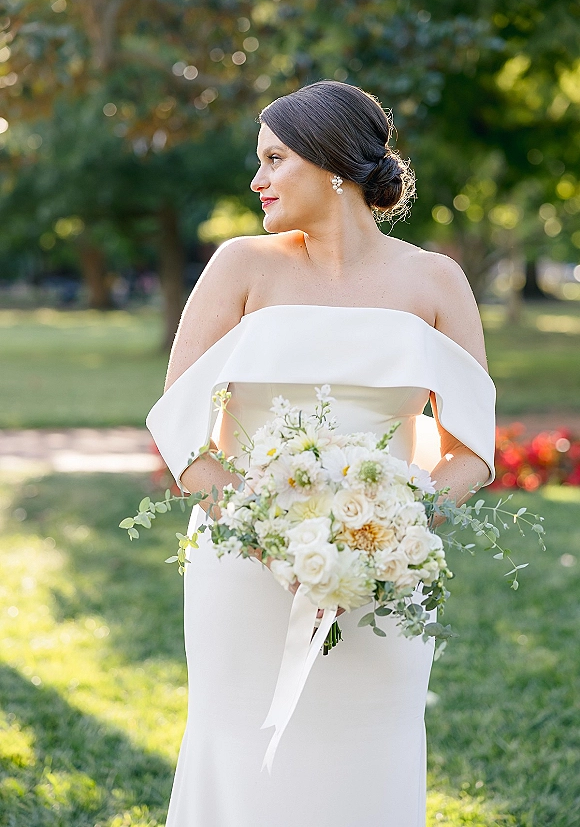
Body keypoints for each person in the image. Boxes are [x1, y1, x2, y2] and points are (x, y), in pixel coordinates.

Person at [145, 80, 496, 827]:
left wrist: (395, 533)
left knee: (371, 748)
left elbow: (472, 448)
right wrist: (263, 530)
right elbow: (180, 428)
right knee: (240, 745)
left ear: (332, 163)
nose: (257, 179)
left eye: (274, 159)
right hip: (243, 565)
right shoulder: (242, 266)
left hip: (382, 568)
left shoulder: (436, 281)